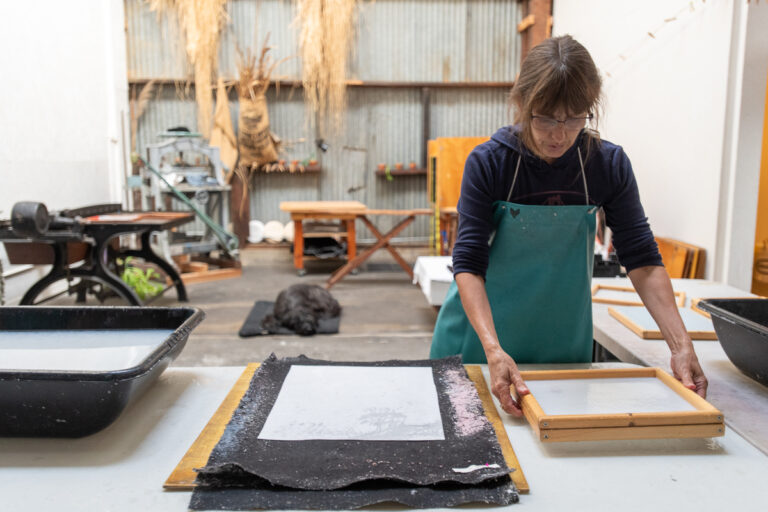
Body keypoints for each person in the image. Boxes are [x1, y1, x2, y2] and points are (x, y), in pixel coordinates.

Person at [430, 35, 708, 416]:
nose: (558, 134)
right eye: (545, 117)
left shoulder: (606, 166)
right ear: (522, 103)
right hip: (481, 342)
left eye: (574, 117)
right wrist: (494, 350)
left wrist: (680, 346)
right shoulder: (490, 164)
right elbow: (468, 264)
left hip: (561, 339)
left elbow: (642, 261)